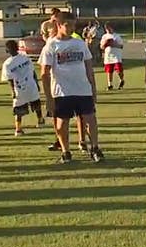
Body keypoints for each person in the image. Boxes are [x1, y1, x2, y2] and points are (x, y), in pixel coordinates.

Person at [40, 11, 104, 164]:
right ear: (59, 25)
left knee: (90, 120)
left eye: (73, 26)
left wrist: (93, 89)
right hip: (62, 92)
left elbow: (89, 67)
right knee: (62, 123)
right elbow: (44, 73)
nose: (71, 29)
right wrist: (49, 98)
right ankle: (65, 151)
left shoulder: (79, 43)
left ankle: (95, 148)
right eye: (67, 25)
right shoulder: (51, 46)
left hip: (82, 90)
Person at [1, 40, 45, 135]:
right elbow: (33, 72)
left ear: (7, 50)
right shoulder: (25, 58)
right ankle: (40, 120)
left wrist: (13, 91)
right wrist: (36, 84)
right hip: (31, 84)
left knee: (18, 108)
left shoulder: (7, 64)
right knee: (36, 102)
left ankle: (18, 129)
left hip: (19, 88)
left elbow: (10, 79)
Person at [100, 22, 125, 90]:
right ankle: (110, 84)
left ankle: (121, 80)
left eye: (109, 28)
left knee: (119, 70)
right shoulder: (104, 36)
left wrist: (113, 44)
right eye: (106, 28)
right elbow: (101, 47)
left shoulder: (116, 36)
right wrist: (105, 44)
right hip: (108, 56)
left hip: (116, 56)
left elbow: (121, 46)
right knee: (109, 71)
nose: (107, 30)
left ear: (112, 28)